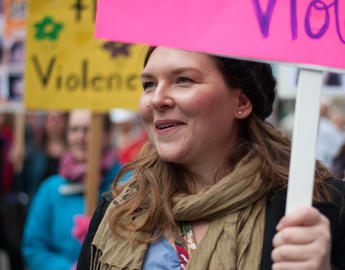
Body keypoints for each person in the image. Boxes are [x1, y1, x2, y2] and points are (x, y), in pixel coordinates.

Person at [77, 47, 345, 270]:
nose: (156, 99)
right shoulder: (120, 210)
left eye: (183, 80)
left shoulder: (314, 208)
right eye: (149, 84)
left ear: (241, 102)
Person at [22, 109, 121, 270]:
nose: (80, 137)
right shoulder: (51, 189)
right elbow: (33, 247)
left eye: (88, 129)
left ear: (107, 134)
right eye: (74, 129)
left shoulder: (127, 183)